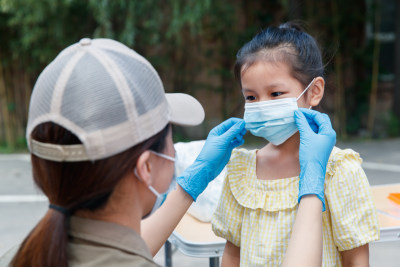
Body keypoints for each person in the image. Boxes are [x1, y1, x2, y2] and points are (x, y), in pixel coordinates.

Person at [8, 37, 334, 267]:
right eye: (170, 136)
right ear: (146, 167)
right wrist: (311, 189)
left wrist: (188, 186)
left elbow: (126, 251)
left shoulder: (21, 256)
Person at [211, 22, 380, 267]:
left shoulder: (339, 170)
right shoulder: (242, 170)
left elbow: (355, 258)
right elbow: (233, 254)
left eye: (276, 94)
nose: (262, 105)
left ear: (314, 91)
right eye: (251, 97)